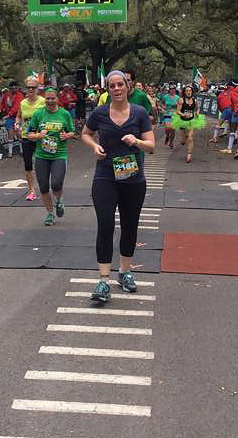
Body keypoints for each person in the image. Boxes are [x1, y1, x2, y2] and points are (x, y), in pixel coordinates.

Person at [81, 70, 155, 303]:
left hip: (133, 178)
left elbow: (151, 146)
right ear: (108, 89)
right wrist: (94, 146)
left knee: (129, 225)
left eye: (120, 85)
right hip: (105, 176)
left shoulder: (140, 113)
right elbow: (85, 133)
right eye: (111, 86)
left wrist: (137, 141)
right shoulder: (100, 113)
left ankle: (124, 272)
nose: (116, 89)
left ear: (127, 86)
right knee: (105, 224)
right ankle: (103, 280)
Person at [26, 87, 75, 225]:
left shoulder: (64, 114)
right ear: (44, 99)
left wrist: (66, 135)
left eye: (53, 98)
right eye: (47, 98)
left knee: (56, 183)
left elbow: (72, 131)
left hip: (59, 154)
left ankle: (59, 200)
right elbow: (29, 134)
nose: (50, 101)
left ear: (57, 99)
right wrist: (38, 135)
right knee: (43, 186)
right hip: (42, 155)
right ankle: (49, 213)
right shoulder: (38, 114)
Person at [15, 76, 46, 201]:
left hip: (41, 137)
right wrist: (17, 124)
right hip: (26, 137)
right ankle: (31, 190)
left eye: (33, 88)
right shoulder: (23, 103)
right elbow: (18, 116)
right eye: (28, 88)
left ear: (38, 88)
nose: (31, 90)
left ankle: (45, 188)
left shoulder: (43, 102)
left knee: (42, 164)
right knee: (28, 164)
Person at [171, 84, 206, 163]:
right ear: (184, 92)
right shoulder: (181, 100)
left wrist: (197, 113)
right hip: (182, 120)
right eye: (187, 91)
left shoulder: (195, 100)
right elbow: (177, 111)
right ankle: (183, 139)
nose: (188, 92)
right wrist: (184, 114)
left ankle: (189, 155)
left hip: (192, 120)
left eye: (190, 90)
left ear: (192, 92)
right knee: (183, 140)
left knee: (190, 138)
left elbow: (197, 108)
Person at [0, 81, 23, 158]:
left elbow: (16, 107)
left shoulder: (20, 95)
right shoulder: (6, 95)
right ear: (10, 88)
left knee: (19, 133)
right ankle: (10, 152)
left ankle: (22, 150)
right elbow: (2, 103)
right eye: (12, 88)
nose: (14, 89)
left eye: (16, 88)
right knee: (10, 133)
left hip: (17, 117)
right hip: (9, 117)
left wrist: (8, 115)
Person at [220, 79, 238, 155]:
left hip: (236, 112)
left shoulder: (234, 92)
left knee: (233, 129)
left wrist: (235, 111)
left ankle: (229, 149)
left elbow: (234, 103)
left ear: (232, 85)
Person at [158, 82, 179, 148]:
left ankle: (171, 142)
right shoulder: (165, 96)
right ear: (169, 90)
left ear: (175, 90)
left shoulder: (177, 97)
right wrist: (163, 108)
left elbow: (180, 106)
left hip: (175, 115)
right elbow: (161, 103)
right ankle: (167, 136)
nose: (172, 90)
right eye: (171, 89)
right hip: (167, 114)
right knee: (167, 127)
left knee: (173, 130)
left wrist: (177, 106)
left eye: (173, 89)